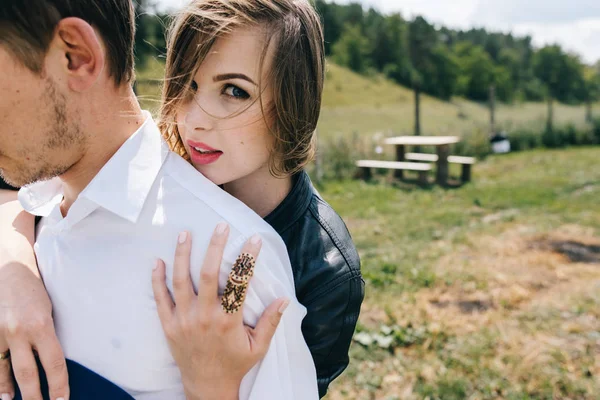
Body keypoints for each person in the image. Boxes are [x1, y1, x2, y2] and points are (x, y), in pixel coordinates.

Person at [0, 0, 364, 398]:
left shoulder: (315, 269)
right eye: (187, 85)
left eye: (234, 91)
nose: (194, 120)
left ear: (293, 103)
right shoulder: (147, 165)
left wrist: (212, 387)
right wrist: (14, 268)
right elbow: (28, 198)